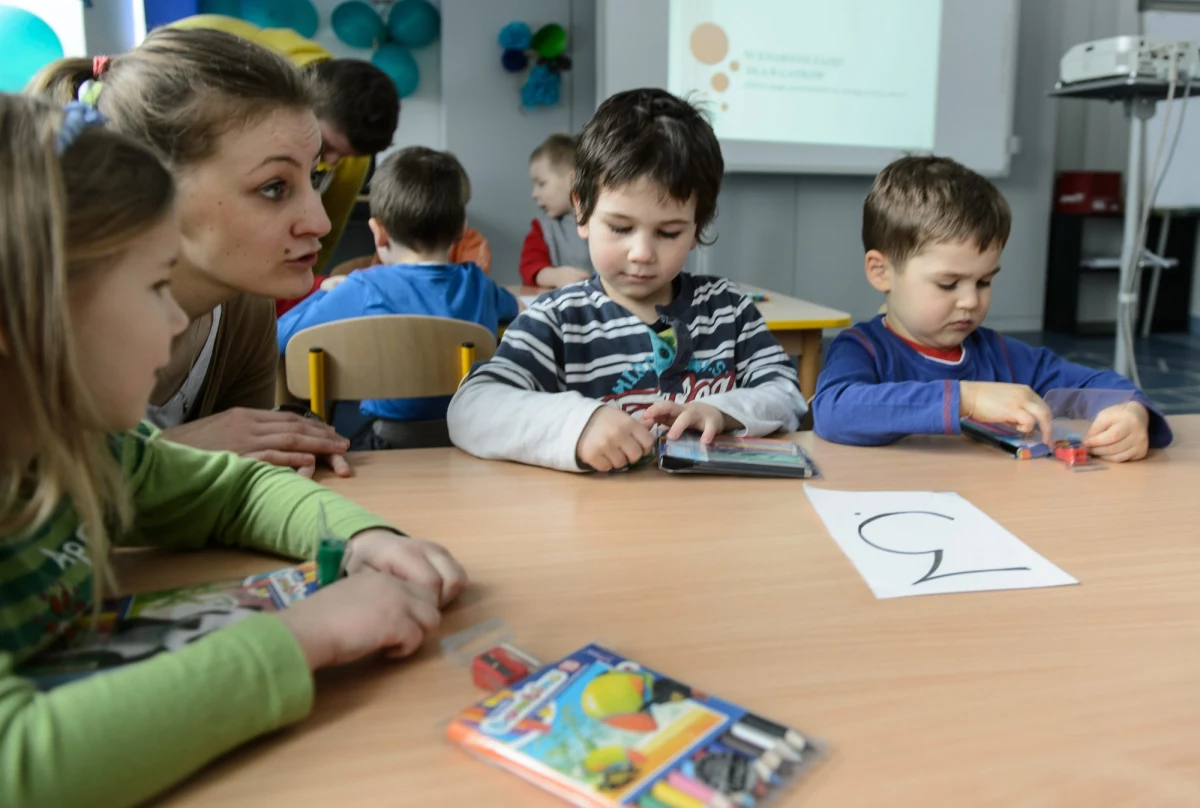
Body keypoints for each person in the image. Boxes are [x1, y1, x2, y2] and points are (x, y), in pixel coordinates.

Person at [0, 93, 467, 808]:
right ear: (24, 315)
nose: (176, 314)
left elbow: (234, 491)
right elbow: (21, 765)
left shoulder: (84, 443)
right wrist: (305, 637)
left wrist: (363, 534)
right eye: (156, 284)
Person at [31, 28, 357, 477]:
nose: (319, 222)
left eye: (315, 177)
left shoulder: (243, 309)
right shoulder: (41, 319)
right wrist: (176, 448)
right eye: (274, 187)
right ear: (151, 188)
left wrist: (285, 439)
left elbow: (230, 488)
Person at [447, 89, 805, 472]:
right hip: (597, 523)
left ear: (697, 227)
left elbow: (786, 392)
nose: (641, 253)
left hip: (710, 519)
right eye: (620, 227)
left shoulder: (728, 308)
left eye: (668, 233)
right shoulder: (557, 319)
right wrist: (577, 425)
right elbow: (470, 407)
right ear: (581, 212)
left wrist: (722, 411)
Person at [811, 155, 1172, 459]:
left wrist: (1132, 414)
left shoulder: (1001, 354)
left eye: (984, 281)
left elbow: (1097, 386)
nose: (971, 300)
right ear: (881, 271)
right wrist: (967, 398)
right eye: (948, 284)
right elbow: (834, 411)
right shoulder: (863, 349)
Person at [277, 147, 518, 450]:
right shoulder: (479, 284)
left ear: (378, 233)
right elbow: (514, 309)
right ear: (461, 230)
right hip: (467, 441)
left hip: (384, 443)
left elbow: (279, 336)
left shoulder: (363, 287)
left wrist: (329, 292)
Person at [169, 14, 401, 275]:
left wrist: (302, 288)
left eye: (346, 155)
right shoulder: (213, 51)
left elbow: (326, 232)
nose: (331, 161)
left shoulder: (350, 152)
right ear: (303, 108)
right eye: (326, 146)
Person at [519, 133, 594, 288]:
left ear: (572, 180)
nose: (534, 194)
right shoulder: (541, 227)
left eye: (541, 184)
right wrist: (553, 276)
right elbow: (529, 266)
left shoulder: (601, 218)